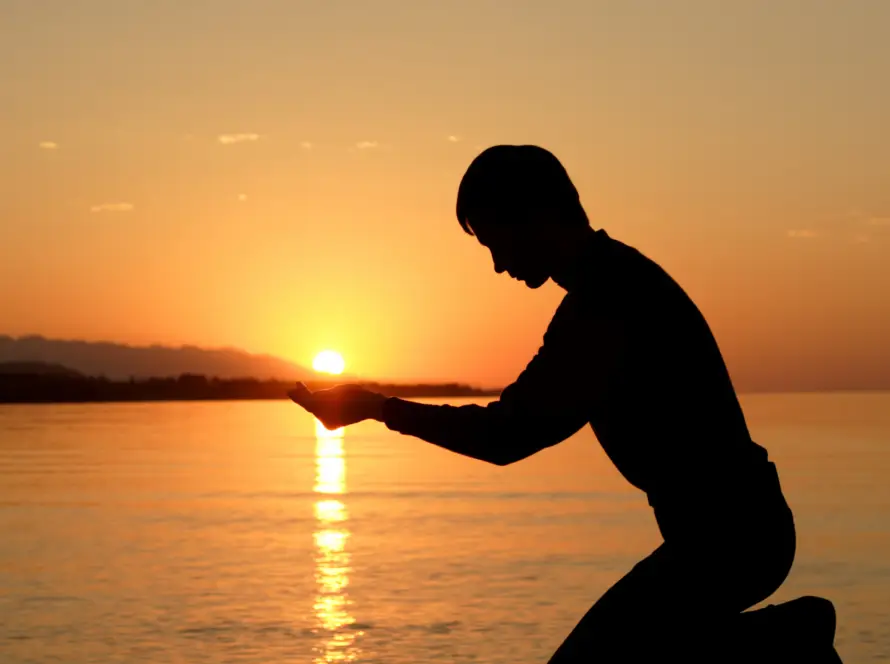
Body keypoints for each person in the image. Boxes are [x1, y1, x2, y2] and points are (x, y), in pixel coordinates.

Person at [288, 144, 797, 662]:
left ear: (536, 216)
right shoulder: (609, 283)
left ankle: (788, 643)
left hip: (729, 545)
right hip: (730, 537)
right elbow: (513, 424)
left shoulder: (606, 303)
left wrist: (379, 408)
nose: (498, 264)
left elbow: (505, 437)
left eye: (497, 240)